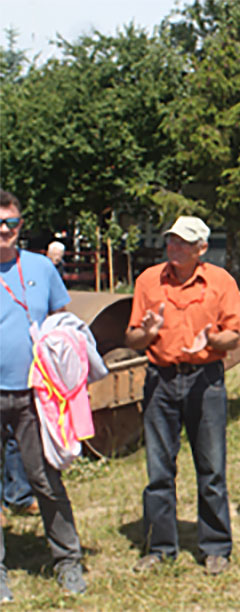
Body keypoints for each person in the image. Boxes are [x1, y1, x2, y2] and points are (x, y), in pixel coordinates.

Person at [125, 216, 240, 576]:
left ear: (201, 248)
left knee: (211, 468)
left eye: (183, 242)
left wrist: (213, 339)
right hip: (160, 380)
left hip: (204, 381)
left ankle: (216, 547)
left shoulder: (220, 282)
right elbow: (131, 337)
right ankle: (160, 547)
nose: (174, 247)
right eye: (171, 240)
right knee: (158, 470)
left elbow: (235, 336)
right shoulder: (148, 281)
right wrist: (148, 333)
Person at [0, 190, 85, 600]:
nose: (4, 230)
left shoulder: (40, 268)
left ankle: (68, 561)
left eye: (11, 222)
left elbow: (61, 325)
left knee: (45, 480)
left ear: (21, 225)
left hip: (35, 396)